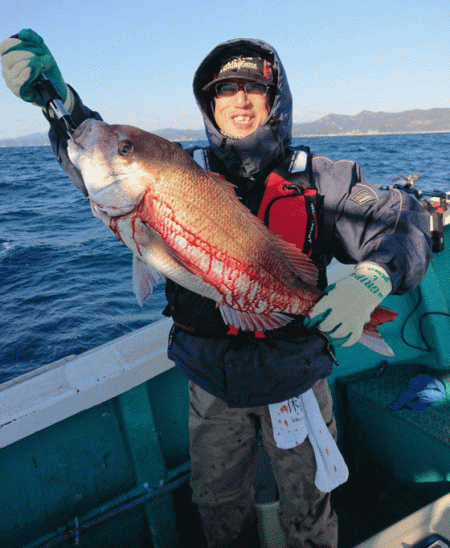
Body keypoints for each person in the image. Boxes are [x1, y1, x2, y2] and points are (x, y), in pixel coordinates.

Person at [1, 30, 432, 548]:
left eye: (253, 87)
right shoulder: (177, 168)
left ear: (275, 99)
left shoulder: (323, 179)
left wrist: (376, 275)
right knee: (219, 510)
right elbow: (91, 159)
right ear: (209, 104)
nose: (240, 99)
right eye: (224, 90)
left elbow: (406, 224)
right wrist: (60, 103)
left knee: (309, 510)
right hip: (211, 383)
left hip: (297, 377)